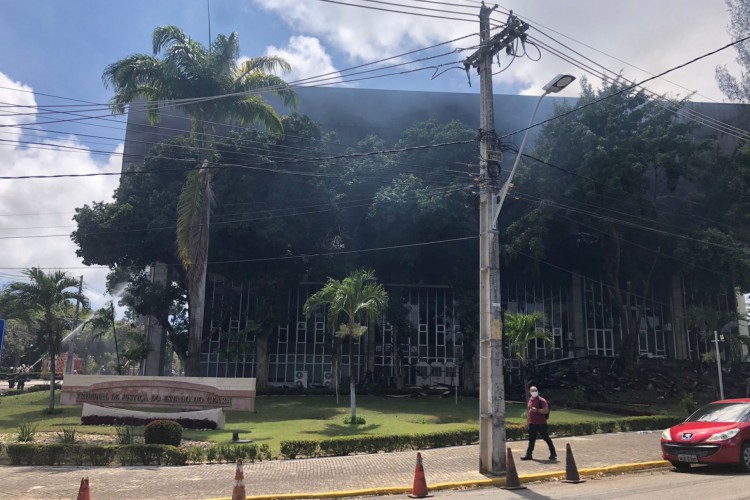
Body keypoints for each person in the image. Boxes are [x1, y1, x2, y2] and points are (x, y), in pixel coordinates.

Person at [520, 386, 557, 461]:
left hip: (541, 423)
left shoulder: (542, 400)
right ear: (530, 392)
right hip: (532, 423)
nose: (534, 392)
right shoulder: (530, 400)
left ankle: (553, 453)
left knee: (546, 438)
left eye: (535, 390)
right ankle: (528, 455)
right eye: (532, 391)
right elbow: (529, 411)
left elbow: (546, 411)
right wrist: (528, 421)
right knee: (531, 439)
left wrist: (537, 410)